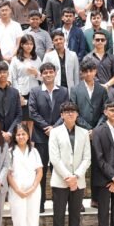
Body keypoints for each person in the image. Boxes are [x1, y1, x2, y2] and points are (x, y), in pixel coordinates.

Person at [48, 102, 91, 226]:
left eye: (73, 111)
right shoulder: (55, 132)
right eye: (66, 111)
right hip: (60, 181)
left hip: (78, 182)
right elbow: (54, 158)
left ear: (77, 114)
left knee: (75, 217)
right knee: (59, 217)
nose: (70, 114)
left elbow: (87, 158)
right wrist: (68, 177)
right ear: (61, 115)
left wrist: (76, 176)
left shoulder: (84, 133)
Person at [28, 62, 70, 211]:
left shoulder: (64, 91)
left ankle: (59, 204)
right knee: (41, 171)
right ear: (41, 75)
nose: (48, 75)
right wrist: (46, 127)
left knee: (58, 171)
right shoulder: (35, 91)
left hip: (58, 137)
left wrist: (54, 128)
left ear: (55, 73)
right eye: (45, 72)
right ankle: (39, 204)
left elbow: (66, 110)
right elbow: (32, 112)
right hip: (40, 137)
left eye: (51, 72)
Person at [7, 123, 43, 226]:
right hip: (17, 191)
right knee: (18, 220)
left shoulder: (34, 151)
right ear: (14, 136)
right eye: (18, 134)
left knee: (32, 220)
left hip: (33, 190)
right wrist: (18, 190)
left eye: (23, 134)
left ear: (28, 136)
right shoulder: (10, 152)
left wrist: (33, 187)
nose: (21, 136)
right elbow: (8, 174)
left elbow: (39, 171)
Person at [9, 34, 41, 136]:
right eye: (26, 44)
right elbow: (12, 77)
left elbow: (42, 77)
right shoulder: (15, 59)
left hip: (34, 92)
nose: (29, 46)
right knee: (22, 120)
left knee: (31, 120)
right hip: (21, 92)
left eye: (31, 44)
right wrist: (18, 93)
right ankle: (22, 140)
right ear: (22, 45)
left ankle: (30, 142)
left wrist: (36, 73)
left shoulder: (37, 59)